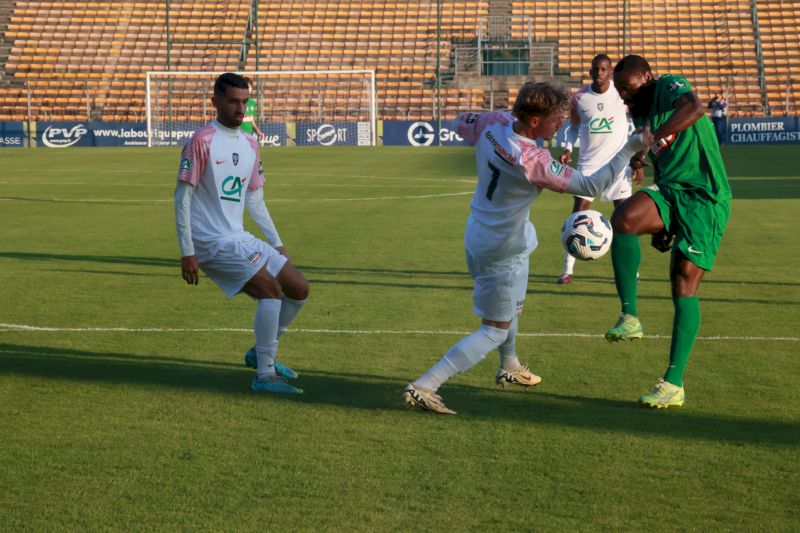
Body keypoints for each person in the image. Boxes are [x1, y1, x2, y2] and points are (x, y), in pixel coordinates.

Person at [402, 82, 650, 414]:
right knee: (494, 329)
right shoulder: (534, 161)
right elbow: (592, 185)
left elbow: (459, 121)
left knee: (512, 309)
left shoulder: (493, 121)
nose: (561, 124)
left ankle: (510, 366)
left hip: (485, 233)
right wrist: (631, 147)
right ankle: (426, 385)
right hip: (501, 249)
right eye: (556, 119)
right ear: (534, 121)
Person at [606, 55, 731, 408]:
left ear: (646, 76)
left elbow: (694, 107)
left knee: (683, 282)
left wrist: (652, 139)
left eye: (626, 87)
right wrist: (664, 223)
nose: (623, 95)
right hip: (671, 189)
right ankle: (629, 316)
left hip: (705, 196)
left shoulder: (668, 85)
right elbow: (663, 155)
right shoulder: (641, 114)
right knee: (624, 219)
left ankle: (673, 384)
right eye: (619, 90)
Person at [174, 72, 310, 394]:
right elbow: (182, 198)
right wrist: (187, 251)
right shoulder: (202, 141)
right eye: (233, 101)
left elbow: (255, 199)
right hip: (210, 242)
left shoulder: (250, 143)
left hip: (238, 237)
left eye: (245, 102)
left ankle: (259, 353)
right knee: (270, 291)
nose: (240, 108)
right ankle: (264, 375)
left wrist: (277, 243)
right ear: (215, 102)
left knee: (298, 288)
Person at [557, 54, 644, 285]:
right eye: (596, 69)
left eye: (604, 69)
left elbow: (637, 125)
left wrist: (638, 158)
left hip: (619, 163)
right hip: (589, 165)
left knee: (626, 219)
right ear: (590, 71)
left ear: (610, 72)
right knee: (577, 215)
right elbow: (573, 127)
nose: (599, 73)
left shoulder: (621, 94)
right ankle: (567, 271)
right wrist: (567, 148)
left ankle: (631, 271)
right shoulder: (580, 98)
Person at [241, 77, 266, 142]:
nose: (247, 89)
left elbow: (251, 120)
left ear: (251, 88)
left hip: (249, 137)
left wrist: (258, 131)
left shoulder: (252, 103)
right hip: (237, 137)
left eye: (249, 87)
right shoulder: (237, 102)